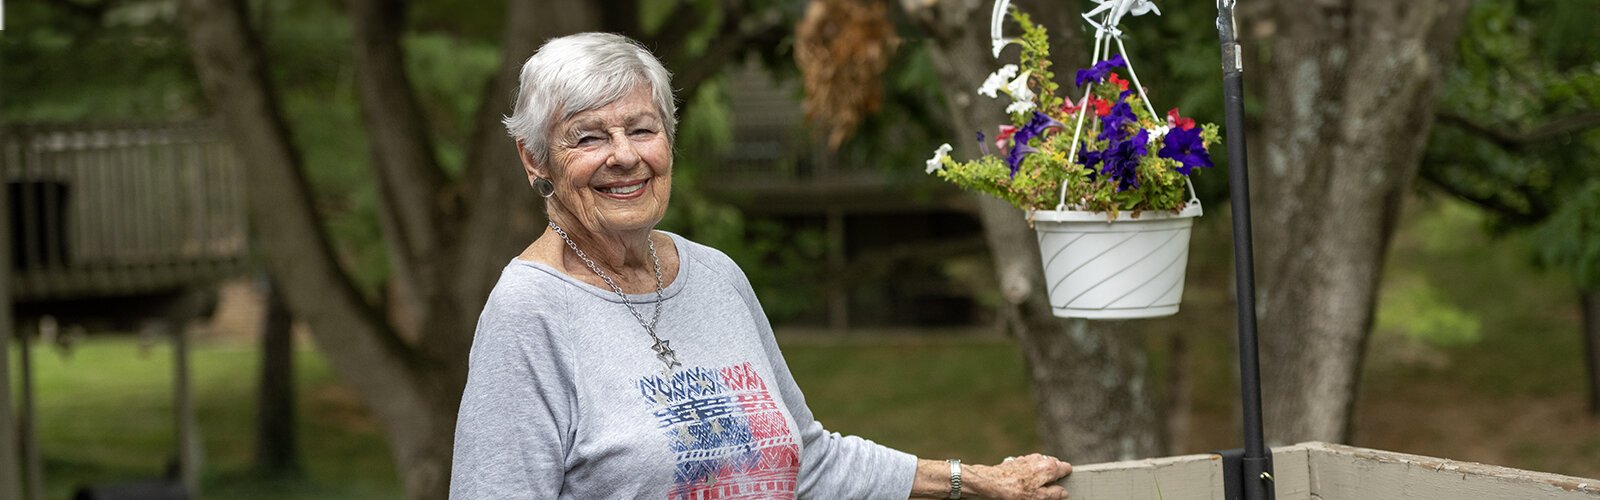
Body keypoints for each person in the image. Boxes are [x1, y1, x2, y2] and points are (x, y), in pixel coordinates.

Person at [450, 32, 1074, 499]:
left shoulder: (715, 276)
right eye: (588, 138)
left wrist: (971, 480)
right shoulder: (528, 313)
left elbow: (809, 462)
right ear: (535, 160)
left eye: (642, 129)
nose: (624, 157)